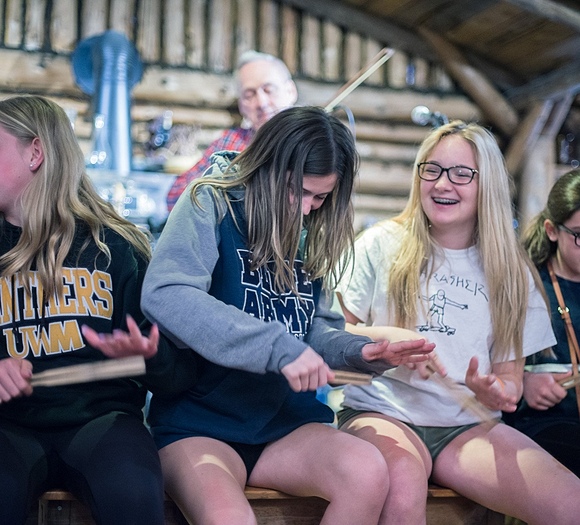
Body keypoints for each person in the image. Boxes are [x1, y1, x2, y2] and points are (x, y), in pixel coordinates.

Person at [141, 106, 436, 525]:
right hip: (199, 423)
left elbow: (314, 327)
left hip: (284, 425)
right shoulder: (211, 201)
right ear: (267, 165)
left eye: (320, 198)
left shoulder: (310, 228)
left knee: (368, 472)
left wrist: (359, 352)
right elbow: (168, 295)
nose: (307, 209)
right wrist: (276, 347)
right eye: (299, 191)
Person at [335, 120, 580, 525]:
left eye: (461, 174)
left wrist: (496, 391)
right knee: (402, 487)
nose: (442, 184)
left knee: (569, 502)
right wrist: (386, 345)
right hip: (383, 413)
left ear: (488, 186)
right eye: (431, 169)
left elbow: (510, 382)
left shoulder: (510, 269)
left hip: (467, 426)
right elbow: (334, 337)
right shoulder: (380, 243)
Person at [0, 95, 197, 525]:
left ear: (35, 152)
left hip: (103, 422)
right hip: (7, 427)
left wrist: (149, 357)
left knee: (134, 495)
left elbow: (177, 376)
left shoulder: (117, 249)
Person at [504, 169, 580, 476]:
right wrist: (523, 383)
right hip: (542, 424)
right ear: (551, 230)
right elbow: (480, 359)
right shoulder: (524, 284)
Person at [166, 50, 298, 211]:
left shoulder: (315, 139)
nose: (261, 103)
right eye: (249, 95)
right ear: (242, 105)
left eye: (269, 90)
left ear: (291, 91)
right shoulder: (231, 142)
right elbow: (174, 197)